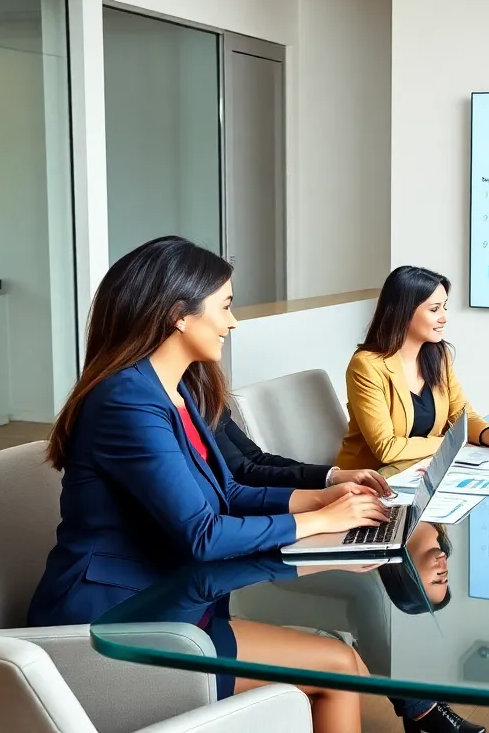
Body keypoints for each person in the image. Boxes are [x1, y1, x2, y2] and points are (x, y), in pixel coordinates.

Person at [28, 236, 390, 733]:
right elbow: (203, 535)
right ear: (180, 314)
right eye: (224, 306)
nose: (233, 322)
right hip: (118, 623)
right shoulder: (126, 401)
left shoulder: (173, 392)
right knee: (340, 667)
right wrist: (322, 522)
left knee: (340, 664)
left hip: (175, 600)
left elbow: (230, 495)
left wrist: (323, 497)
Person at [212, 413, 483, 733]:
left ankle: (419, 706)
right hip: (236, 554)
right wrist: (319, 511)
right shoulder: (160, 401)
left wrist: (331, 482)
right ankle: (420, 707)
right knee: (349, 647)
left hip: (249, 542)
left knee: (351, 644)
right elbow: (226, 499)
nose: (442, 568)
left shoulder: (197, 395)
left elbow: (251, 465)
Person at [335, 265, 489, 473]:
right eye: (434, 309)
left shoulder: (438, 356)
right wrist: (450, 443)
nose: (444, 317)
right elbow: (386, 448)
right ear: (404, 312)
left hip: (420, 471)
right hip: (368, 481)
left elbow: (463, 417)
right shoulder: (367, 366)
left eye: (444, 307)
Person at [214, 407, 391, 493]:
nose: (230, 331)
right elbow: (242, 473)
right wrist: (329, 485)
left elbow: (256, 458)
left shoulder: (203, 391)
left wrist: (331, 476)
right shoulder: (192, 401)